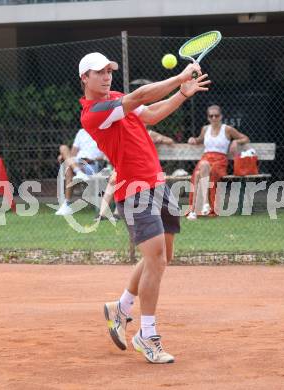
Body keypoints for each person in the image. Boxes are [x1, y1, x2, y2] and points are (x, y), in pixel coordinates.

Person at [79, 52, 210, 363]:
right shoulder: (95, 111)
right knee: (155, 259)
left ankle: (121, 308)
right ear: (84, 78)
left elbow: (149, 114)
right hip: (133, 189)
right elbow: (139, 96)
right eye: (99, 72)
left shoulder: (116, 97)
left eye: (109, 71)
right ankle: (147, 335)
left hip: (156, 182)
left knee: (163, 258)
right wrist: (180, 77)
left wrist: (181, 93)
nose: (107, 76)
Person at [95, 129, 174, 222]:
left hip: (142, 167)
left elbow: (170, 141)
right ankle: (103, 214)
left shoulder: (148, 133)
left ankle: (117, 213)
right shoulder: (124, 133)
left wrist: (160, 139)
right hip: (126, 165)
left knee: (119, 180)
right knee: (113, 181)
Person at [186, 105, 249, 220]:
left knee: (201, 173)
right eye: (211, 116)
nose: (214, 118)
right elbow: (199, 139)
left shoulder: (227, 129)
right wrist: (193, 140)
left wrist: (236, 141)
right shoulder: (205, 129)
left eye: (216, 115)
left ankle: (194, 210)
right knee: (201, 169)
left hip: (220, 161)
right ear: (208, 118)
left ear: (221, 116)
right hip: (206, 158)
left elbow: (245, 138)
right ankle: (205, 204)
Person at [55, 128, 105, 216]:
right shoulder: (81, 132)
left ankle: (66, 204)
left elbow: (106, 155)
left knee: (68, 167)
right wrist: (65, 155)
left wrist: (92, 159)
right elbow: (73, 153)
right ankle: (78, 171)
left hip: (92, 163)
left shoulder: (104, 130)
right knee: (63, 148)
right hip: (77, 162)